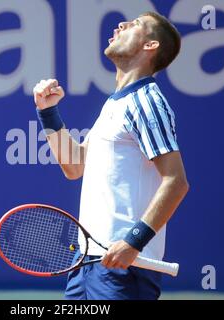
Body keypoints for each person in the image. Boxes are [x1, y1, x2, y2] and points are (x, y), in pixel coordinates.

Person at [32, 11, 189, 300]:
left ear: (150, 46)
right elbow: (75, 166)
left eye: (136, 24)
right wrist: (48, 112)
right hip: (87, 262)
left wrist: (133, 242)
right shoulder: (116, 103)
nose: (122, 25)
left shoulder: (147, 101)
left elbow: (176, 181)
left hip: (126, 268)